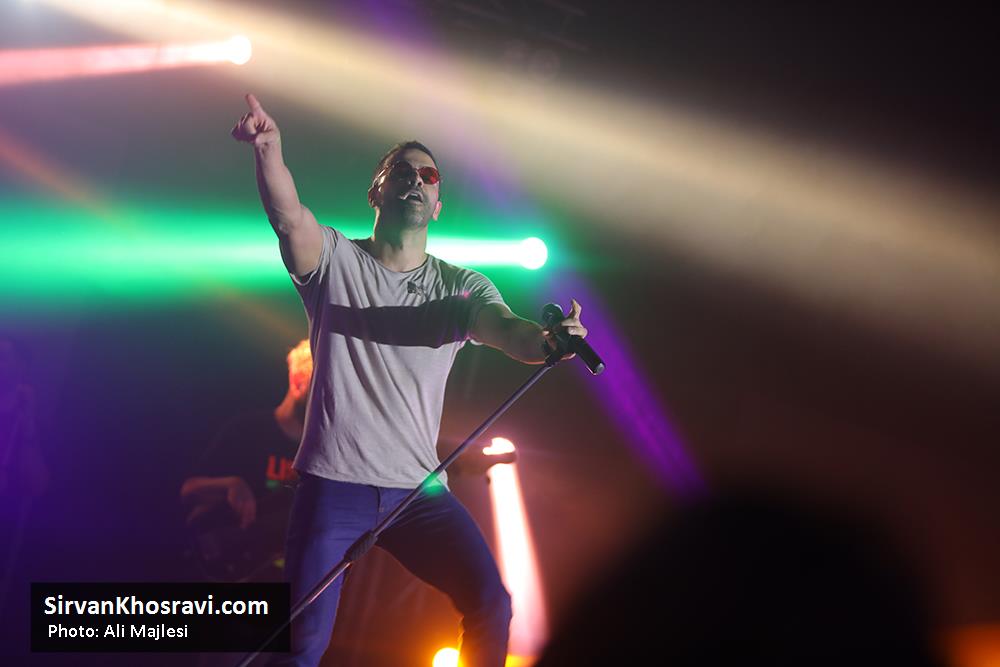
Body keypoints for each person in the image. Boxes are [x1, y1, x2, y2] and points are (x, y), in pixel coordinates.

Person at [231, 93, 587, 667]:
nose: (417, 181)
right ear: (377, 191)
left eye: (429, 176)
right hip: (335, 485)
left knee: (491, 603)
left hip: (418, 492)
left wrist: (549, 340)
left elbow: (508, 330)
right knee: (302, 647)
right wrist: (268, 151)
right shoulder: (335, 259)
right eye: (403, 172)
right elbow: (289, 218)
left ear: (438, 205)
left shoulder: (460, 286)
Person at [179, 339, 312, 583]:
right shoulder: (248, 430)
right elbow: (188, 491)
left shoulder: (322, 455)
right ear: (297, 381)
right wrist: (230, 484)